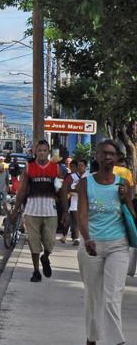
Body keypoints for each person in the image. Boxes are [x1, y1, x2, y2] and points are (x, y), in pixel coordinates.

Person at [77, 140, 134, 345]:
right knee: (93, 297)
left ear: (118, 158)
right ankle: (92, 338)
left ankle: (117, 341)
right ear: (97, 157)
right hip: (92, 246)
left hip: (118, 245)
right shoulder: (85, 183)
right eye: (104, 153)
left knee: (113, 297)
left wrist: (127, 198)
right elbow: (82, 214)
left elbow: (133, 217)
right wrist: (87, 238)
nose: (108, 157)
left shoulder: (123, 183)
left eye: (112, 154)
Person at [13, 140, 61, 282]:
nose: (42, 153)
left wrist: (65, 211)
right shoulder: (29, 168)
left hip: (50, 211)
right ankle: (36, 271)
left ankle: (45, 257)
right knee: (34, 242)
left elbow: (62, 190)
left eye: (44, 150)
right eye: (39, 150)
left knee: (50, 242)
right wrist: (16, 209)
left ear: (48, 152)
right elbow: (22, 189)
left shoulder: (56, 168)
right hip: (32, 210)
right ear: (35, 152)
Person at [60, 158, 84, 246]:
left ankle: (75, 236)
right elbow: (65, 187)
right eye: (72, 166)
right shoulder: (70, 176)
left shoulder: (86, 176)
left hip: (80, 200)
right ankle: (67, 235)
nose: (74, 168)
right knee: (70, 218)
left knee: (76, 219)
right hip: (70, 199)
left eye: (76, 166)